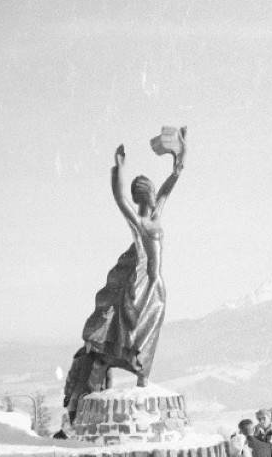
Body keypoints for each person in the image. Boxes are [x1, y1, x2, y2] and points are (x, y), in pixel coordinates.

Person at [64, 134, 185, 422]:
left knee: (147, 336)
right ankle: (131, 376)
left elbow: (168, 191)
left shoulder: (154, 216)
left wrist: (177, 169)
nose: (155, 196)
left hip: (154, 288)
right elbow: (120, 199)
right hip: (142, 285)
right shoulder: (142, 222)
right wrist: (118, 171)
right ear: (144, 197)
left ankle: (142, 381)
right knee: (134, 332)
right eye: (150, 193)